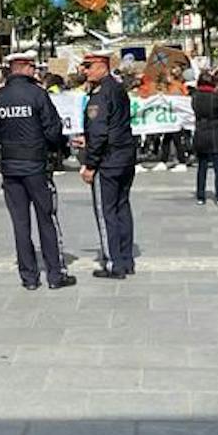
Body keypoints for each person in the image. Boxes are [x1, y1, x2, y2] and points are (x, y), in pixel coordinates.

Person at [0, 52, 77, 290]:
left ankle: (29, 277)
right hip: (36, 166)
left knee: (20, 224)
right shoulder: (38, 94)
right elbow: (53, 129)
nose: (35, 71)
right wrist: (58, 150)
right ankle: (55, 275)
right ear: (24, 67)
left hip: (10, 166)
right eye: (33, 67)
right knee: (47, 220)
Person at [77, 51, 138, 279]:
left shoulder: (101, 93)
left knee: (106, 212)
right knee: (123, 208)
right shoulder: (117, 88)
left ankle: (114, 263)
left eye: (89, 65)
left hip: (108, 161)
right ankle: (126, 259)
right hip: (124, 156)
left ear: (102, 66)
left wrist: (90, 164)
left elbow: (100, 130)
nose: (85, 70)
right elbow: (114, 124)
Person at [190, 70, 218, 205]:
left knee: (202, 166)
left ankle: (200, 195)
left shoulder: (195, 96)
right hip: (214, 131)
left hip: (200, 131)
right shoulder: (215, 96)